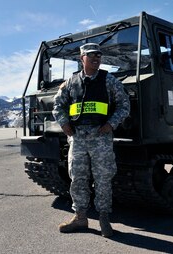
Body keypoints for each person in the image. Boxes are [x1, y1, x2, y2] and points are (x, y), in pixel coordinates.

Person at [52, 43, 130, 237]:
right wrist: (64, 123)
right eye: (91, 56)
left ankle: (104, 218)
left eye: (98, 56)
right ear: (82, 59)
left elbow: (124, 105)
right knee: (78, 178)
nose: (96, 59)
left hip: (100, 138)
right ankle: (80, 218)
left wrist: (111, 124)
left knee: (103, 179)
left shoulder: (109, 80)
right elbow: (58, 105)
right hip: (77, 139)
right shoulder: (71, 82)